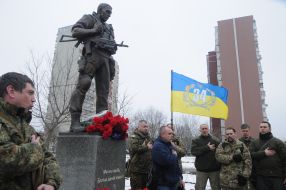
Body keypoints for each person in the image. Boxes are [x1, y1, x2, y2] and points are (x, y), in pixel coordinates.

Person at [0, 72, 62, 190]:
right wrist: (34, 149)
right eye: (30, 93)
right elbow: (4, 160)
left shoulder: (27, 127)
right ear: (11, 91)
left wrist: (51, 183)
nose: (34, 100)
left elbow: (49, 158)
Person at [69, 3, 117, 132]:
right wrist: (93, 31)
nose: (109, 15)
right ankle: (74, 122)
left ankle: (101, 124)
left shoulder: (109, 27)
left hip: (106, 59)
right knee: (83, 84)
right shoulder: (90, 18)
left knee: (103, 93)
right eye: (107, 12)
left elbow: (112, 45)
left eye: (110, 13)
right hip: (92, 55)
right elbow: (75, 31)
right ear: (100, 11)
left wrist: (113, 47)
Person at [249, 121, 286, 190]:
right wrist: (264, 153)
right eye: (261, 127)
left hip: (277, 177)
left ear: (270, 129)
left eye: (265, 127)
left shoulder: (278, 142)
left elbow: (285, 159)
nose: (262, 128)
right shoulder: (254, 143)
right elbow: (250, 155)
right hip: (261, 177)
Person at [152, 126, 184, 190]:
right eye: (169, 134)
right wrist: (174, 155)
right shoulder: (158, 146)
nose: (172, 135)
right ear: (162, 134)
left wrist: (180, 178)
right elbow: (167, 161)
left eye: (172, 133)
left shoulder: (169, 144)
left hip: (173, 182)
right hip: (163, 184)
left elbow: (176, 165)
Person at [191, 124, 221, 190]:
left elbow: (220, 153)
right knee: (199, 188)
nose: (204, 130)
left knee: (216, 188)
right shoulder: (196, 140)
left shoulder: (215, 140)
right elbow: (193, 152)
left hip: (214, 170)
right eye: (203, 129)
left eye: (206, 128)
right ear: (200, 130)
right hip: (201, 171)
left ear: (208, 129)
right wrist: (207, 147)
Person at [128, 120, 153, 190]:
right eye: (144, 126)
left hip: (146, 170)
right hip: (137, 171)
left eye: (147, 127)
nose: (146, 128)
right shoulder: (134, 137)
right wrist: (146, 147)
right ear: (139, 127)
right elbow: (134, 148)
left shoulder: (148, 137)